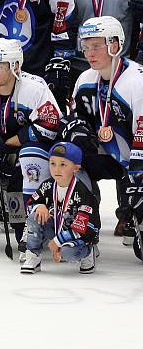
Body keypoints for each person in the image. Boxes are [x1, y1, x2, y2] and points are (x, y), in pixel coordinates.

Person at [0, 38, 62, 253]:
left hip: (37, 156)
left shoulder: (35, 89)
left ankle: (36, 223)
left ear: (15, 66)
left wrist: (13, 142)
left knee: (29, 154)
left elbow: (52, 126)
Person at [69, 16, 143, 249]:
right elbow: (77, 117)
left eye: (96, 46)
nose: (89, 53)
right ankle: (86, 227)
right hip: (109, 152)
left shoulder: (136, 80)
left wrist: (138, 178)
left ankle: (134, 216)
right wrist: (78, 131)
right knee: (67, 158)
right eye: (86, 46)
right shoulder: (85, 79)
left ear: (114, 45)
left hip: (136, 155)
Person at [21, 142, 100, 274]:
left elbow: (83, 229)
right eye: (52, 163)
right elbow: (30, 204)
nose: (56, 169)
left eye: (63, 164)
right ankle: (33, 256)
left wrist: (56, 242)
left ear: (76, 168)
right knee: (34, 216)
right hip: (57, 230)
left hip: (79, 236)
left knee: (68, 253)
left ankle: (88, 253)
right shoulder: (47, 185)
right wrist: (39, 206)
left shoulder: (83, 193)